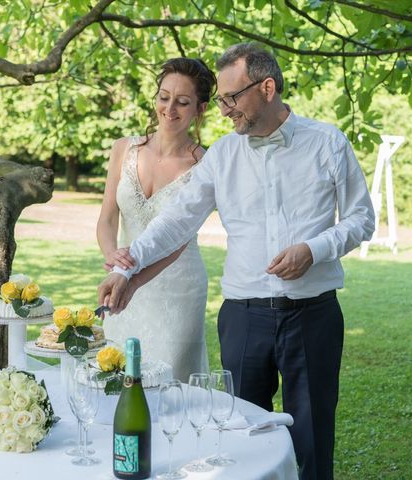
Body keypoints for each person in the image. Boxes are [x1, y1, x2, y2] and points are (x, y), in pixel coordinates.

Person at [98, 43, 375, 480]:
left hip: (313, 315)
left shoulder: (327, 143)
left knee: (313, 437)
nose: (224, 109)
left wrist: (314, 249)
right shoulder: (223, 156)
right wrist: (125, 268)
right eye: (222, 100)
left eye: (231, 98)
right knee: (240, 439)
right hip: (243, 319)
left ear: (267, 88)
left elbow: (362, 219)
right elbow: (174, 223)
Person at [96, 58, 216, 382]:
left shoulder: (207, 166)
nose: (170, 109)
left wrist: (132, 273)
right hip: (121, 278)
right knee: (116, 376)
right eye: (164, 97)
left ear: (200, 109)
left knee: (170, 384)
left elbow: (179, 239)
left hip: (178, 289)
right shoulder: (124, 149)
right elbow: (107, 217)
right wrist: (114, 259)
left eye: (183, 102)